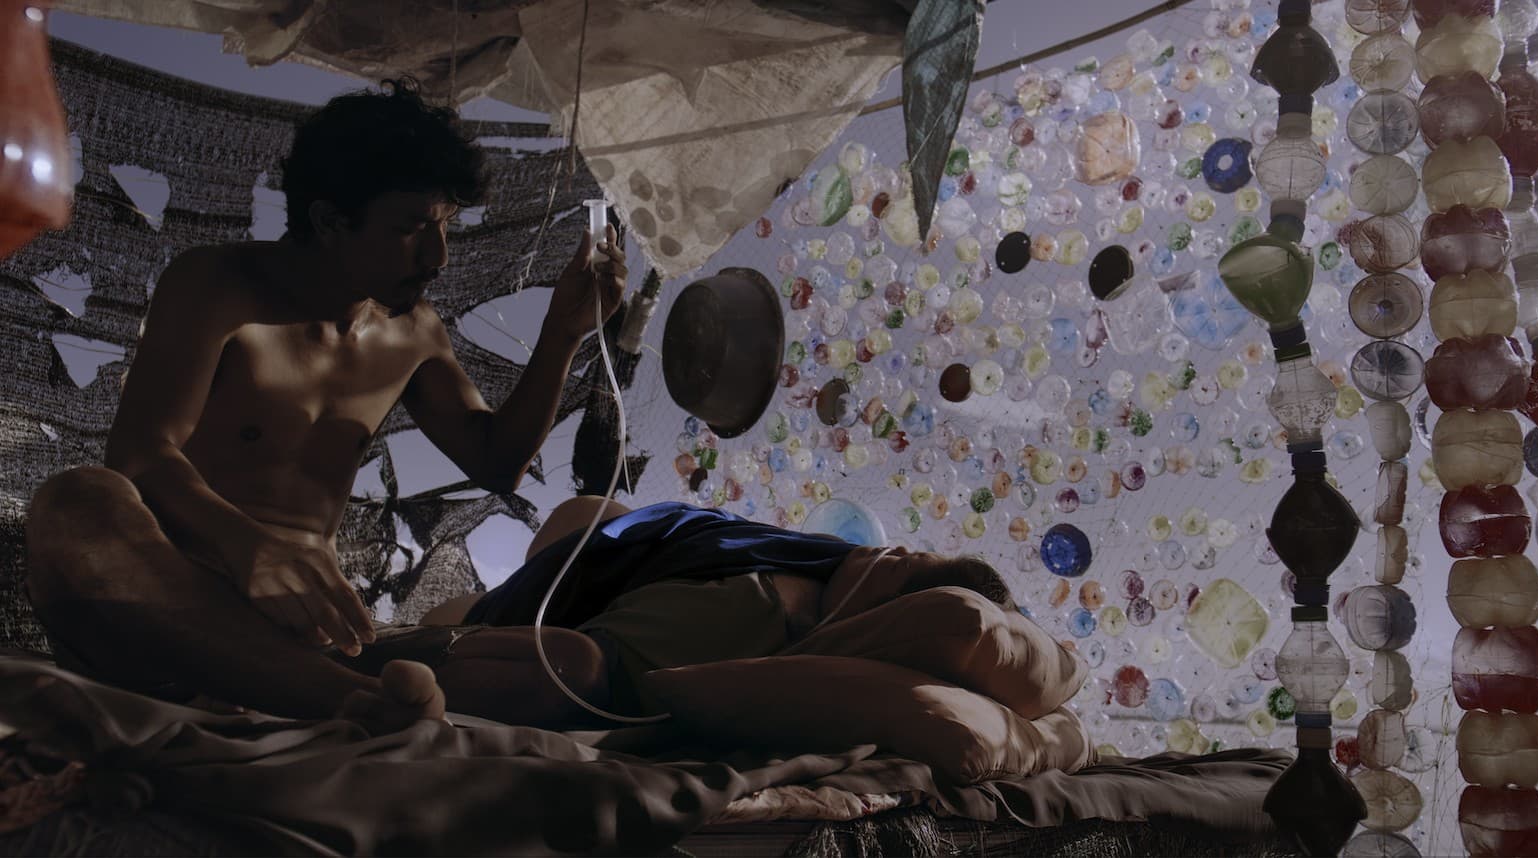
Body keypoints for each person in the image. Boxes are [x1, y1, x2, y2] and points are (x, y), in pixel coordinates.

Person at [24, 78, 1017, 732]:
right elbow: (140, 455)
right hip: (167, 603)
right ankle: (342, 703)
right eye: (410, 228)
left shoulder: (413, 335)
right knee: (78, 502)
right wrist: (244, 542)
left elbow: (498, 461)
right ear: (328, 219)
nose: (436, 255)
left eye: (445, 227)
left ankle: (338, 697)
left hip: (309, 641)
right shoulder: (217, 285)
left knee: (554, 660)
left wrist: (565, 331)